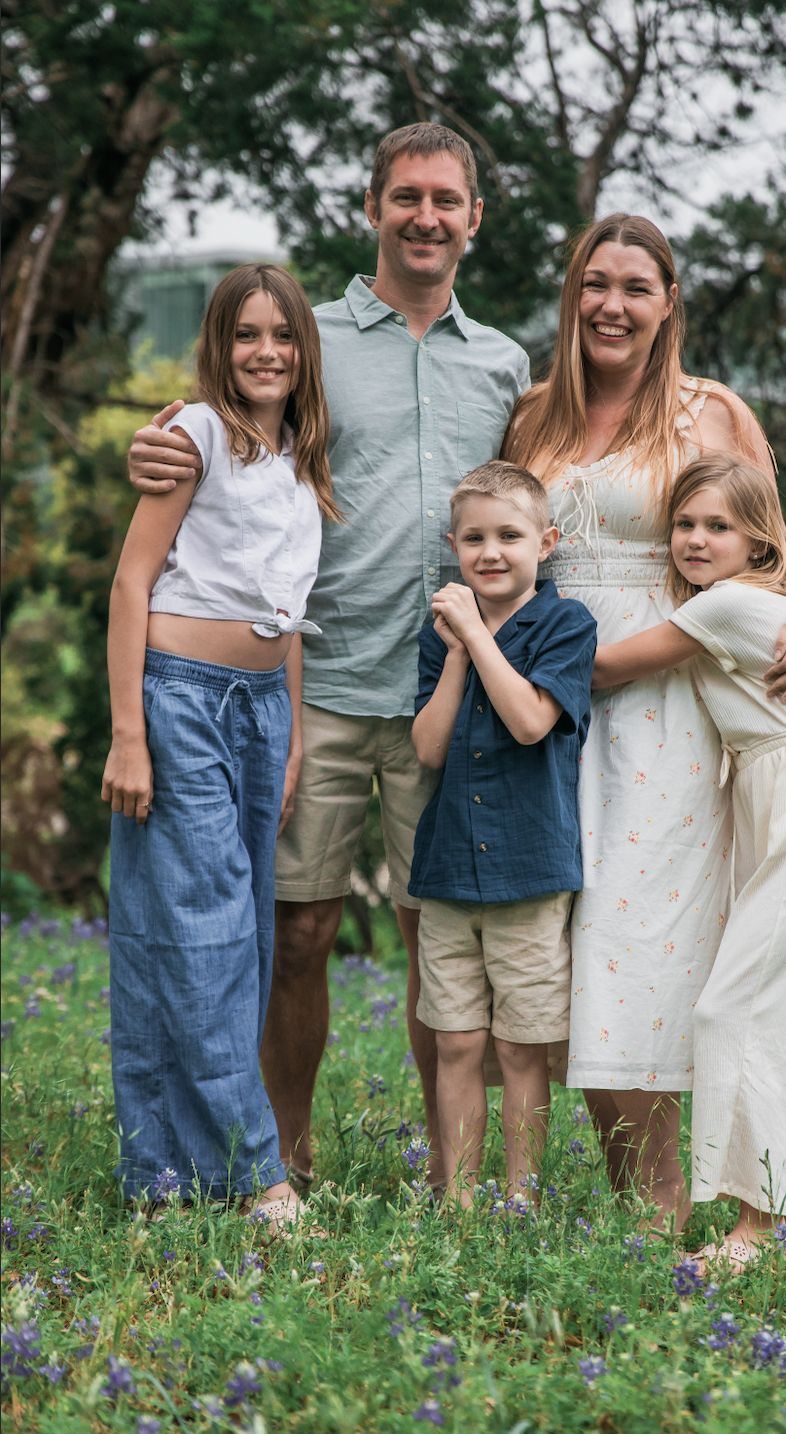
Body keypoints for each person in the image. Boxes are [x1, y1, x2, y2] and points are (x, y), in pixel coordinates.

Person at [124, 125, 531, 1192]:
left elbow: (532, 511)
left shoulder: (503, 364)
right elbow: (226, 432)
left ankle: (451, 1173)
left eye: (447, 198)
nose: (426, 215)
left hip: (446, 693)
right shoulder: (312, 342)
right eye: (407, 196)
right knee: (295, 933)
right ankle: (281, 1160)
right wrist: (155, 443)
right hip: (317, 687)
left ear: (474, 217)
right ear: (373, 206)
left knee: (432, 939)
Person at [503, 213, 786, 1233]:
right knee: (575, 948)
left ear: (667, 304)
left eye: (634, 287)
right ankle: (643, 1199)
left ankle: (703, 1197)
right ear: (573, 296)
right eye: (593, 283)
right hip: (552, 711)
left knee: (643, 942)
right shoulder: (531, 418)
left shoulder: (709, 412)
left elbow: (768, 547)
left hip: (669, 711)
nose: (611, 304)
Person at [102, 263, 340, 1228]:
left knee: (231, 934)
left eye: (283, 336)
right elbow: (130, 584)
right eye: (247, 335)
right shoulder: (194, 433)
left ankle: (163, 1173)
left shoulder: (299, 458)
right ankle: (255, 1172)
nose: (267, 352)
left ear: (304, 352)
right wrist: (128, 733)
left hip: (263, 709)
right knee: (195, 927)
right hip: (181, 700)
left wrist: (285, 743)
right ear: (218, 345)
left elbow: (283, 614)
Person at [593, 454, 786, 1267]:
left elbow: (609, 666)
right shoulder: (775, 597)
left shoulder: (726, 606)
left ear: (760, 543)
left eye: (719, 526)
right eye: (684, 523)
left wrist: (492, 637)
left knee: (736, 1010)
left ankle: (758, 1225)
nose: (694, 539)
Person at [410, 464, 596, 1206]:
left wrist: (480, 640)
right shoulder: (440, 638)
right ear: (454, 546)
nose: (491, 553)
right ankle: (458, 1202)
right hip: (450, 867)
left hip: (528, 869)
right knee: (455, 1040)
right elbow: (426, 748)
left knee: (522, 1046)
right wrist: (455, 650)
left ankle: (521, 1199)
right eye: (475, 539)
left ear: (545, 543)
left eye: (510, 536)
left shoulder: (565, 624)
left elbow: (528, 722)